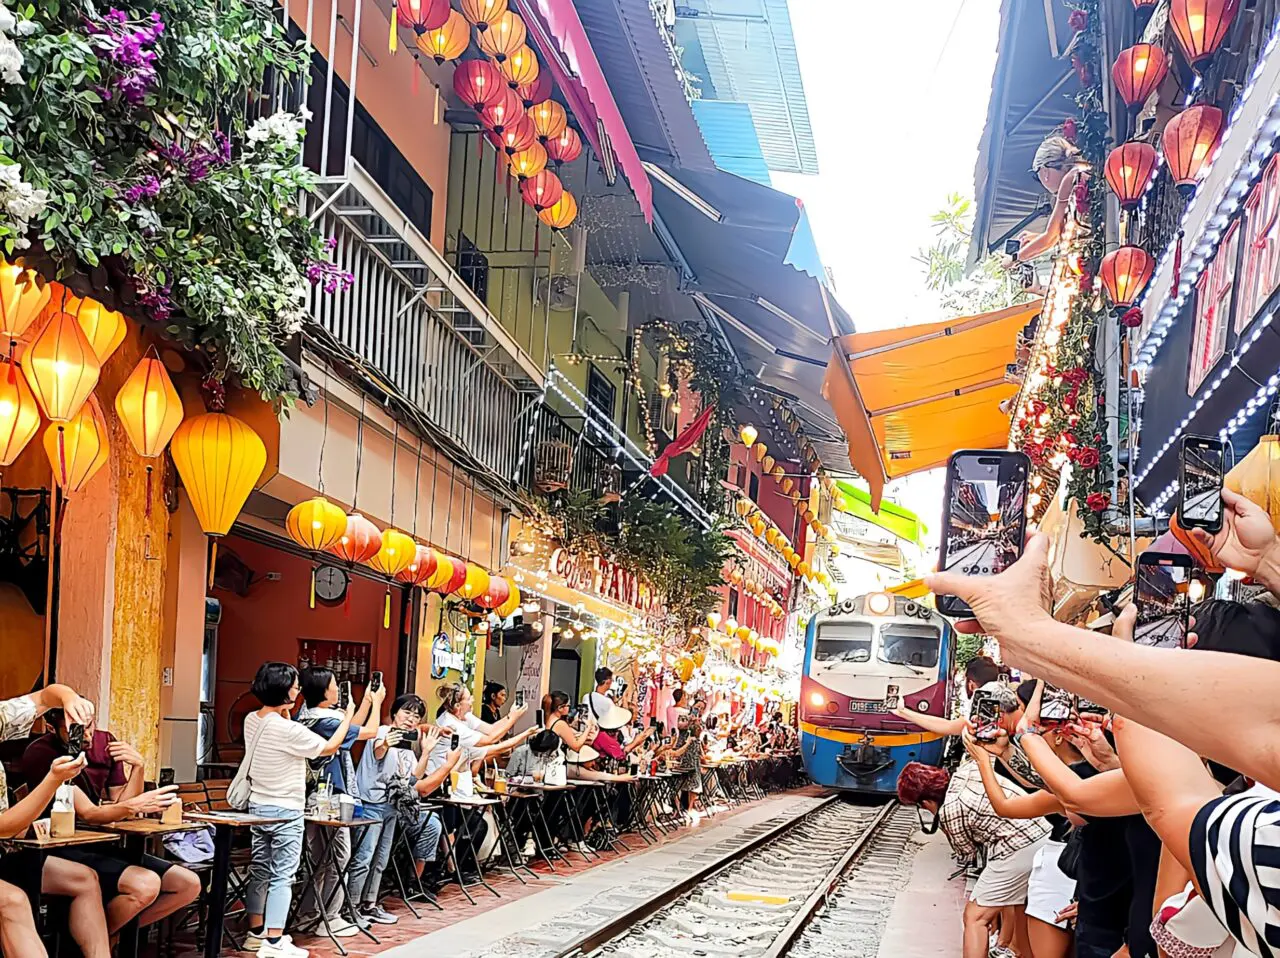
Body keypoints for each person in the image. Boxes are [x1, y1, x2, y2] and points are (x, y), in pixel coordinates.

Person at [23, 712, 201, 936]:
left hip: (102, 841)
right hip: (61, 846)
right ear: (51, 728)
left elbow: (121, 807)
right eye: (75, 729)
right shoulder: (44, 752)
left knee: (187, 884)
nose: (86, 735)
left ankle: (104, 937)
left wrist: (138, 767)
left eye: (90, 725)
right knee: (145, 885)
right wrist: (135, 806)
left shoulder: (105, 742)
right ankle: (89, 943)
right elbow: (89, 813)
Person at [242, 662, 353, 958]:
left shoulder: (253, 719)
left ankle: (255, 934)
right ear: (284, 691)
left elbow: (279, 721)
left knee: (260, 869)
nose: (298, 690)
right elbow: (329, 748)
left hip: (258, 807)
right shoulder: (288, 729)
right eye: (293, 685)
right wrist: (348, 717)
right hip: (286, 810)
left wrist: (285, 707)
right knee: (282, 875)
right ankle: (275, 942)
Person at [897, 759, 1050, 958]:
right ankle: (1018, 950)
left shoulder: (950, 811)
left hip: (1018, 847)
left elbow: (967, 854)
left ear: (926, 802)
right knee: (1017, 901)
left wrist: (943, 823)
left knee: (975, 916)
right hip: (1043, 831)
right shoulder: (966, 770)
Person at [0, 683, 110, 958]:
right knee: (12, 902)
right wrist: (53, 780)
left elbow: (44, 696)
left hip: (10, 851)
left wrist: (68, 699)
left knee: (84, 879)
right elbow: (5, 828)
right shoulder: (40, 752)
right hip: (9, 841)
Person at [348, 694, 459, 919]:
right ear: (395, 713)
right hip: (370, 805)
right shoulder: (380, 732)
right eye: (406, 713)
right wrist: (388, 742)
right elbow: (379, 751)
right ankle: (350, 908)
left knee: (381, 859)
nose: (411, 719)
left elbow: (413, 779)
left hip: (391, 807)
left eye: (416, 716)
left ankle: (369, 905)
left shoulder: (408, 746)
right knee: (364, 858)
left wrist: (426, 751)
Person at [294, 666, 383, 937]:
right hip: (331, 796)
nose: (337, 688)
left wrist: (366, 700)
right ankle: (328, 917)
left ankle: (308, 914)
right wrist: (377, 703)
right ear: (324, 692)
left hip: (314, 795)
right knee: (338, 856)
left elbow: (348, 727)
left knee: (322, 858)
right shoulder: (326, 721)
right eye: (334, 684)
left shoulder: (307, 717)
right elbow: (369, 731)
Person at [1014, 134, 1087, 262]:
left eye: (1037, 177)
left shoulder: (1069, 179)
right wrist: (1038, 238)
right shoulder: (1080, 171)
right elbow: (1056, 234)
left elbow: (1050, 237)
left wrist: (1015, 258)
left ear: (1044, 172)